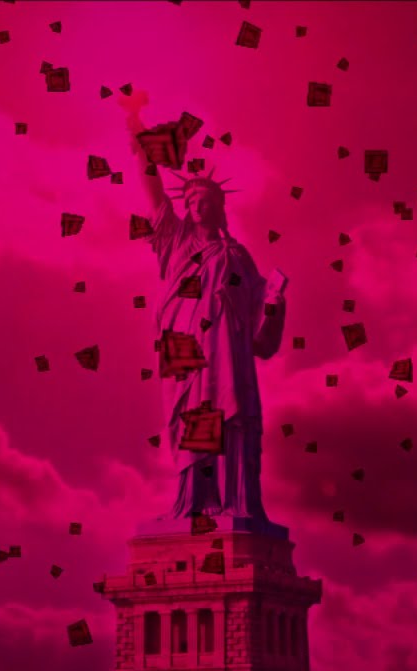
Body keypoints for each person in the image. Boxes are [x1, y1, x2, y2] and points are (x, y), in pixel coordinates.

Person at [118, 90, 286, 526]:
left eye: (205, 199)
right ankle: (194, 502)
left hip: (226, 349)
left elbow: (260, 324)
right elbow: (153, 187)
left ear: (220, 206)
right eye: (190, 200)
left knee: (231, 414)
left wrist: (275, 302)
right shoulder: (175, 241)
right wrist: (137, 128)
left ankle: (236, 502)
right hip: (186, 347)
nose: (197, 204)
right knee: (194, 414)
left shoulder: (238, 256)